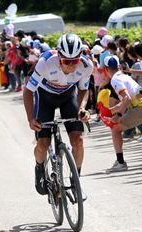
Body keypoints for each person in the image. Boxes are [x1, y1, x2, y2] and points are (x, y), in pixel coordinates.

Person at [23, 33, 92, 197]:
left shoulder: (86, 66)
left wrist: (82, 108)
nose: (71, 66)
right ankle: (39, 168)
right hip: (45, 97)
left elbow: (83, 89)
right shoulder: (45, 63)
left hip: (68, 97)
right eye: (66, 61)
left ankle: (76, 182)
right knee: (43, 143)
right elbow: (28, 92)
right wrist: (30, 118)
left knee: (78, 140)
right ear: (59, 56)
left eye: (74, 61)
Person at [103, 55, 142, 173]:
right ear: (118, 66)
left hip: (141, 107)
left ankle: (120, 162)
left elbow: (126, 99)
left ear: (106, 69)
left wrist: (115, 114)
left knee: (115, 129)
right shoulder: (124, 76)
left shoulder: (115, 79)